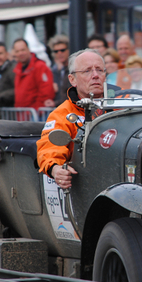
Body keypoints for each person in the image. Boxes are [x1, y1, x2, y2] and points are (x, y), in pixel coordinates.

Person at [37, 49, 107, 189]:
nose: (95, 75)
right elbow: (49, 149)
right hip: (87, 183)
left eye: (99, 70)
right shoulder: (62, 114)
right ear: (72, 79)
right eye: (87, 71)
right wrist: (56, 170)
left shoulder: (123, 103)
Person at [13, 38, 55, 119]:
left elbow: (46, 92)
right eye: (17, 51)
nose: (20, 53)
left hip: (36, 115)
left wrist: (35, 112)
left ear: (28, 49)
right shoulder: (18, 69)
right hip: (24, 116)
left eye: (22, 50)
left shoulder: (39, 66)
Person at [48, 35, 70, 105]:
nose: (59, 53)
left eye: (62, 50)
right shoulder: (58, 71)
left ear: (69, 50)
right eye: (56, 51)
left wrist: (55, 103)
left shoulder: (74, 69)